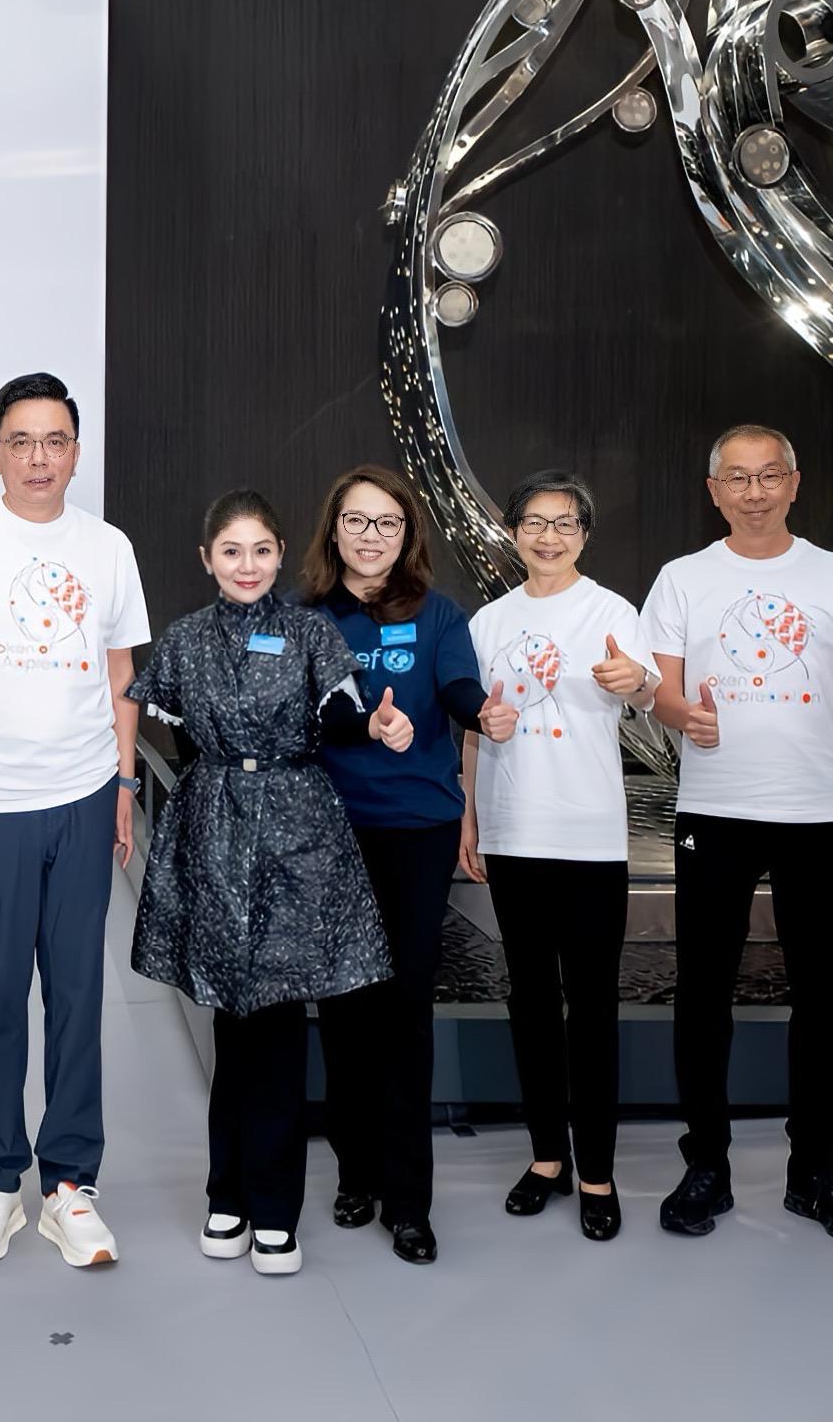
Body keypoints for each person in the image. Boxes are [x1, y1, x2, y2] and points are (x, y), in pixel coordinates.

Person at [129, 489, 408, 1277]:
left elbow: (344, 718)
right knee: (231, 1021)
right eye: (230, 551)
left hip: (297, 829)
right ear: (206, 559)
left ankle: (275, 1210)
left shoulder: (311, 631)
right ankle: (226, 1195)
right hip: (214, 826)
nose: (245, 565)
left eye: (259, 549)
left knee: (280, 1026)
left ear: (281, 553)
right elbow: (177, 740)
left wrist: (376, 724)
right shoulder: (184, 640)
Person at [641, 423, 833, 1247]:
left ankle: (812, 1172)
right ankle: (705, 1166)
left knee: (823, 996)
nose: (752, 491)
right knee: (701, 991)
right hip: (714, 809)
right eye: (736, 477)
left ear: (793, 482)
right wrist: (681, 713)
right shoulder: (682, 578)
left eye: (767, 475)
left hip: (821, 810)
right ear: (713, 491)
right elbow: (659, 689)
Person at [0, 372, 149, 1268]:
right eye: (21, 441)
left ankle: (70, 1183)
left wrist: (122, 781)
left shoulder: (108, 546)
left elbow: (122, 674)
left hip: (82, 793)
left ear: (75, 451)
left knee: (78, 992)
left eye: (54, 441)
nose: (38, 457)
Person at [460, 470, 654, 1242]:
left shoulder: (611, 611)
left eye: (564, 523)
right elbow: (473, 725)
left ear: (583, 534)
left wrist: (635, 679)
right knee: (531, 1000)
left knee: (593, 1005)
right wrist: (469, 815)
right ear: (512, 532)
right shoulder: (487, 621)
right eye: (535, 522)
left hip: (588, 837)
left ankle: (597, 1172)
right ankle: (547, 1158)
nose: (548, 536)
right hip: (512, 832)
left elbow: (645, 691)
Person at [304, 466, 482, 1264]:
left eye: (387, 522)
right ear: (333, 529)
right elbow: (299, 714)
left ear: (406, 534)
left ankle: (408, 1200)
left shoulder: (438, 613)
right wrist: (364, 727)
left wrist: (483, 711)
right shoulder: (307, 617)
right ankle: (356, 1171)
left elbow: (458, 686)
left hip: (417, 828)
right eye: (356, 520)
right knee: (344, 1006)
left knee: (406, 1007)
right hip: (332, 831)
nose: (370, 535)